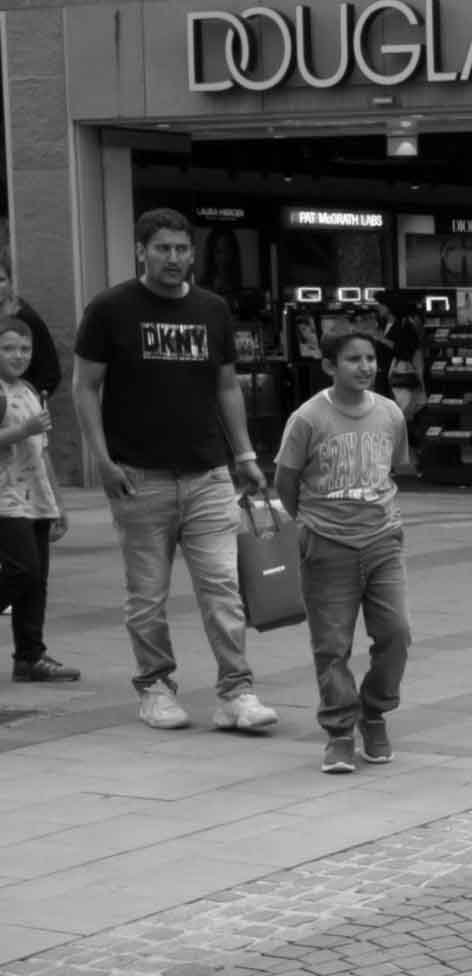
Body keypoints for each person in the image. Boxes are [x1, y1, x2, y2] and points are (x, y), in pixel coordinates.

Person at [73, 207, 278, 732]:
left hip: (208, 474)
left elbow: (227, 386)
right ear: (142, 249)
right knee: (147, 595)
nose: (173, 258)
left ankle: (237, 692)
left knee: (223, 589)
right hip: (138, 475)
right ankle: (156, 687)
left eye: (182, 249)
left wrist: (246, 455)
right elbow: (85, 387)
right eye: (162, 247)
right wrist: (100, 459)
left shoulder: (212, 309)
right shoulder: (110, 309)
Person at [273, 332, 412, 775]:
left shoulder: (390, 413)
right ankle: (338, 731)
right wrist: (310, 526)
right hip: (326, 544)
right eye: (354, 359)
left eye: (371, 358)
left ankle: (374, 712)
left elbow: (394, 466)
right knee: (331, 645)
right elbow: (285, 480)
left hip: (382, 540)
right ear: (330, 366)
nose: (366, 367)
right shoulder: (307, 418)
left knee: (395, 633)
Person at [0, 320, 77, 682]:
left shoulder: (30, 390)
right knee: (22, 571)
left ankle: (30, 656)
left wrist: (58, 503)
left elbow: (42, 451)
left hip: (36, 499)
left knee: (37, 581)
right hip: (5, 500)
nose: (18, 356)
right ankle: (30, 655)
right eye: (8, 348)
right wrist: (22, 430)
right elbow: (23, 436)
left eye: (25, 350)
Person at [0, 257, 62, 401]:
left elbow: (50, 373)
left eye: (1, 280)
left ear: (11, 282)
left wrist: (27, 402)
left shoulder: (26, 318)